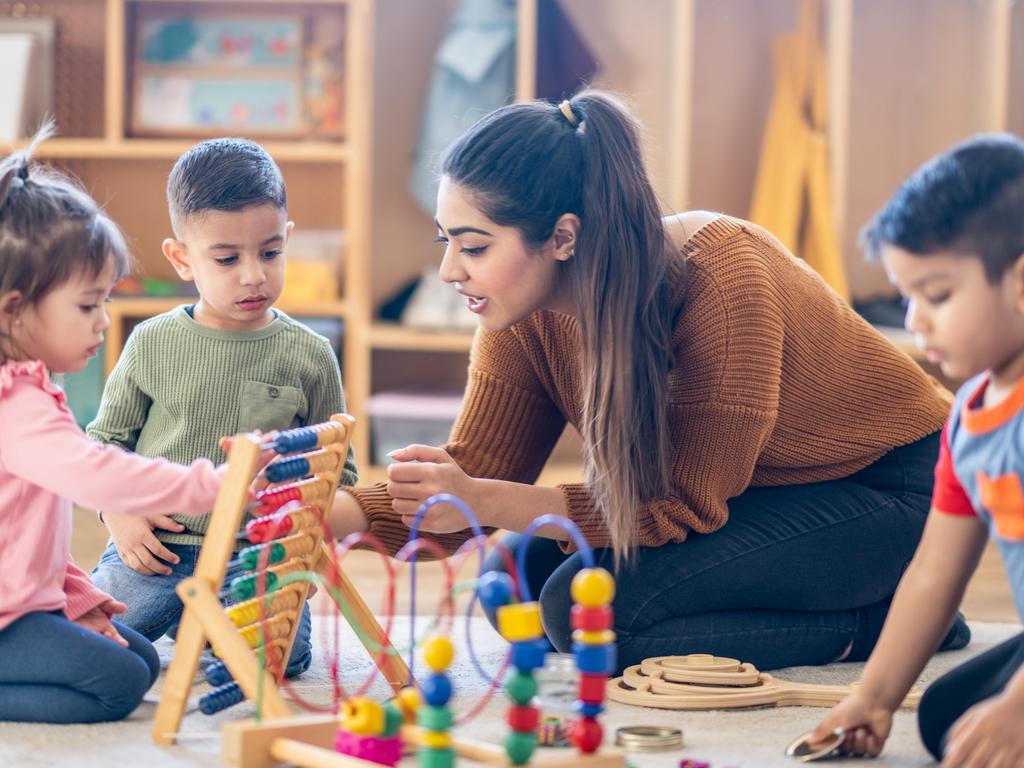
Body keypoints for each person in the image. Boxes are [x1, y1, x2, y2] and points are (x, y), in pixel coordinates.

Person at [327, 90, 963, 671]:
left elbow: (677, 505)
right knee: (515, 584)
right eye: (447, 242)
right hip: (756, 490)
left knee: (592, 619)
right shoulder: (522, 312)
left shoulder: (724, 282)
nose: (447, 271)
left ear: (563, 237)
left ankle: (888, 623)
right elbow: (472, 475)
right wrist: (335, 515)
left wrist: (482, 499)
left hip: (895, 489)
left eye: (473, 247)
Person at [88, 138, 357, 679]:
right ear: (182, 258)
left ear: (288, 240)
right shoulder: (150, 342)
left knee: (278, 662)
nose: (253, 274)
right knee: (88, 642)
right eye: (227, 258)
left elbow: (340, 473)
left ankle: (202, 624)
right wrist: (119, 513)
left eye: (271, 252)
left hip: (254, 559)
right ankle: (187, 617)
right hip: (158, 549)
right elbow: (101, 444)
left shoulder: (311, 354)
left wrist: (293, 531)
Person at [809, 134, 1024, 767]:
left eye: (937, 296)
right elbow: (934, 570)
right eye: (907, 296)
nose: (917, 320)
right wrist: (873, 697)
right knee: (948, 719)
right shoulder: (972, 418)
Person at [0, 128, 228, 723]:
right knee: (121, 684)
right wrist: (212, 486)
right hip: (6, 619)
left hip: (24, 604)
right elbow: (98, 478)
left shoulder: (29, 387)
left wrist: (79, 598)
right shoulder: (11, 404)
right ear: (13, 309)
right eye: (86, 305)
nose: (103, 322)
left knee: (143, 660)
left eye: (105, 301)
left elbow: (29, 536)